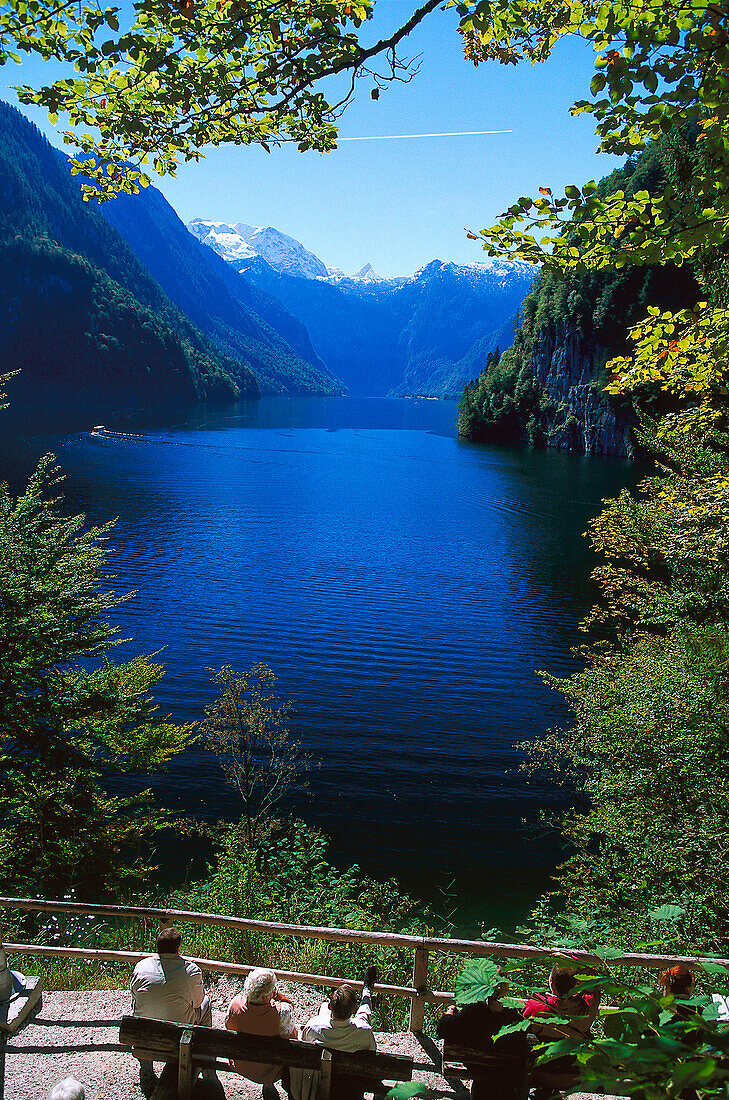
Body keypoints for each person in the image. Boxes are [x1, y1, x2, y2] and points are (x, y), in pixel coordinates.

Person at [131, 925, 213, 1098]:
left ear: (157, 947)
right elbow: (198, 1003)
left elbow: (134, 994)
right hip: (177, 1036)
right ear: (178, 948)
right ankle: (204, 1055)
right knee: (206, 1003)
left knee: (141, 1002)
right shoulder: (190, 970)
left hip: (144, 1034)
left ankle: (146, 1065)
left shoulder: (141, 967)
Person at [437, 970, 530, 1100]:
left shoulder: (473, 1012)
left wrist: (449, 1013)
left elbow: (443, 1029)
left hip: (479, 1071)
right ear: (506, 989)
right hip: (505, 1076)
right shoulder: (514, 1017)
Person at [226, 967, 298, 1099]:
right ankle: (269, 1082)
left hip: (242, 1065)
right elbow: (292, 1037)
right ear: (266, 996)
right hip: (272, 1070)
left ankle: (268, 1084)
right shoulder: (283, 1012)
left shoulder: (235, 1005)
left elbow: (228, 1026)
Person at [301, 965, 378, 1052]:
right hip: (350, 1064)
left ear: (330, 1006)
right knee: (363, 1015)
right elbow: (372, 1050)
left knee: (323, 1007)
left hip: (323, 1064)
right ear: (354, 1010)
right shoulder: (364, 1031)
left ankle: (366, 990)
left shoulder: (314, 1026)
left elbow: (304, 1042)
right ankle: (367, 990)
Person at [522, 964, 600, 1038]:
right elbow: (594, 981)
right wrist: (573, 963)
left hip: (545, 1051)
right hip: (577, 1050)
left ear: (551, 981)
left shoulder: (535, 1009)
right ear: (577, 983)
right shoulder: (586, 1008)